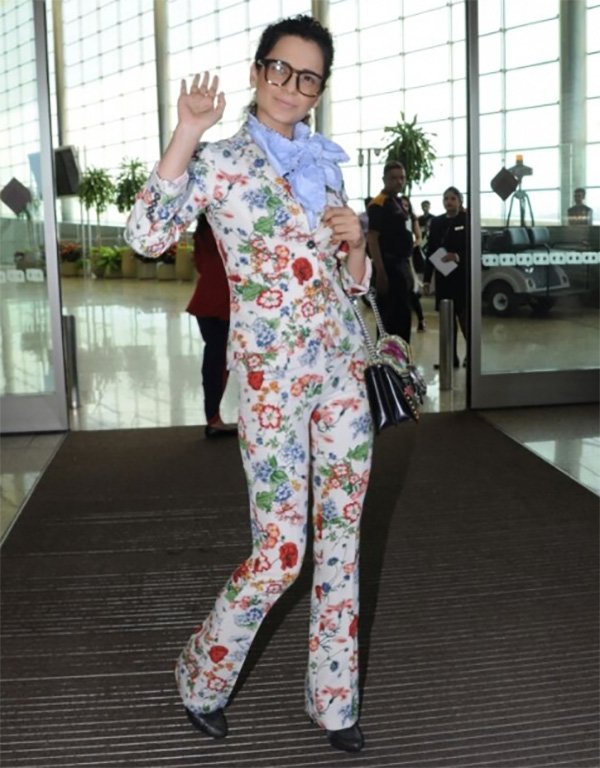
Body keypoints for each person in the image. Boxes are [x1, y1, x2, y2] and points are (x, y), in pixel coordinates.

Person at [125, 14, 373, 754]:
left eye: (308, 76)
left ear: (320, 88)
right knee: (281, 552)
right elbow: (146, 235)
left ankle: (334, 701)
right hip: (270, 379)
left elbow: (352, 289)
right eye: (280, 69)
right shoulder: (222, 160)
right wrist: (184, 133)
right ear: (258, 70)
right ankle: (200, 677)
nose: (291, 87)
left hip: (341, 374)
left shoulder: (326, 164)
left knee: (343, 540)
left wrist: (356, 244)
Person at [187, 213, 237, 438]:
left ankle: (213, 417)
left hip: (204, 301)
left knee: (214, 361)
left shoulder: (202, 233)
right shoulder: (229, 230)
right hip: (223, 303)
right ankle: (214, 420)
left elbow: (200, 265)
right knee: (219, 364)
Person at [367, 162, 414, 342]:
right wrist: (380, 272)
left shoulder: (399, 202)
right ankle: (388, 364)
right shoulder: (378, 204)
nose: (398, 181)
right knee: (388, 320)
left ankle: (403, 361)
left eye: (402, 177)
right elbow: (373, 238)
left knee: (403, 318)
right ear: (384, 180)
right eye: (393, 178)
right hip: (388, 266)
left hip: (402, 265)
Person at [423, 186, 468, 368]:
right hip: (444, 278)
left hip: (461, 278)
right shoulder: (437, 222)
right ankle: (450, 359)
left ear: (459, 201)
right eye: (446, 199)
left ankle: (471, 356)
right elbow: (431, 251)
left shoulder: (466, 220)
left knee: (464, 319)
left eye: (452, 199)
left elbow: (473, 249)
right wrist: (427, 279)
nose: (449, 202)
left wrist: (457, 256)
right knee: (447, 322)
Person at [399, 195, 426, 332]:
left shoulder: (412, 218)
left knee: (412, 291)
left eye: (406, 205)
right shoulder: (394, 217)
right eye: (401, 204)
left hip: (411, 259)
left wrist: (413, 245)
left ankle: (421, 319)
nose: (404, 207)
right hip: (398, 258)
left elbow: (419, 237)